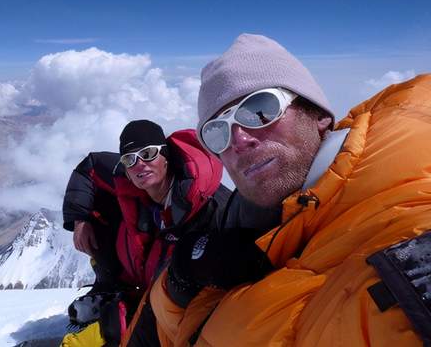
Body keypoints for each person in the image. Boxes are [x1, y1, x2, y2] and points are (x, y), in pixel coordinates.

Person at [149, 33, 431, 346]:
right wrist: (178, 281)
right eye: (217, 132)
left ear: (320, 116)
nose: (240, 140)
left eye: (259, 109)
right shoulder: (253, 223)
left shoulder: (406, 234)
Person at [61, 120, 231, 346]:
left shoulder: (207, 207)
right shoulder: (131, 184)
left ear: (166, 156)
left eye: (149, 154)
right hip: (140, 280)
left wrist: (127, 318)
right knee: (100, 211)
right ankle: (113, 288)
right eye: (130, 159)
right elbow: (89, 168)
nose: (140, 164)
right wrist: (80, 219)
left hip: (178, 303)